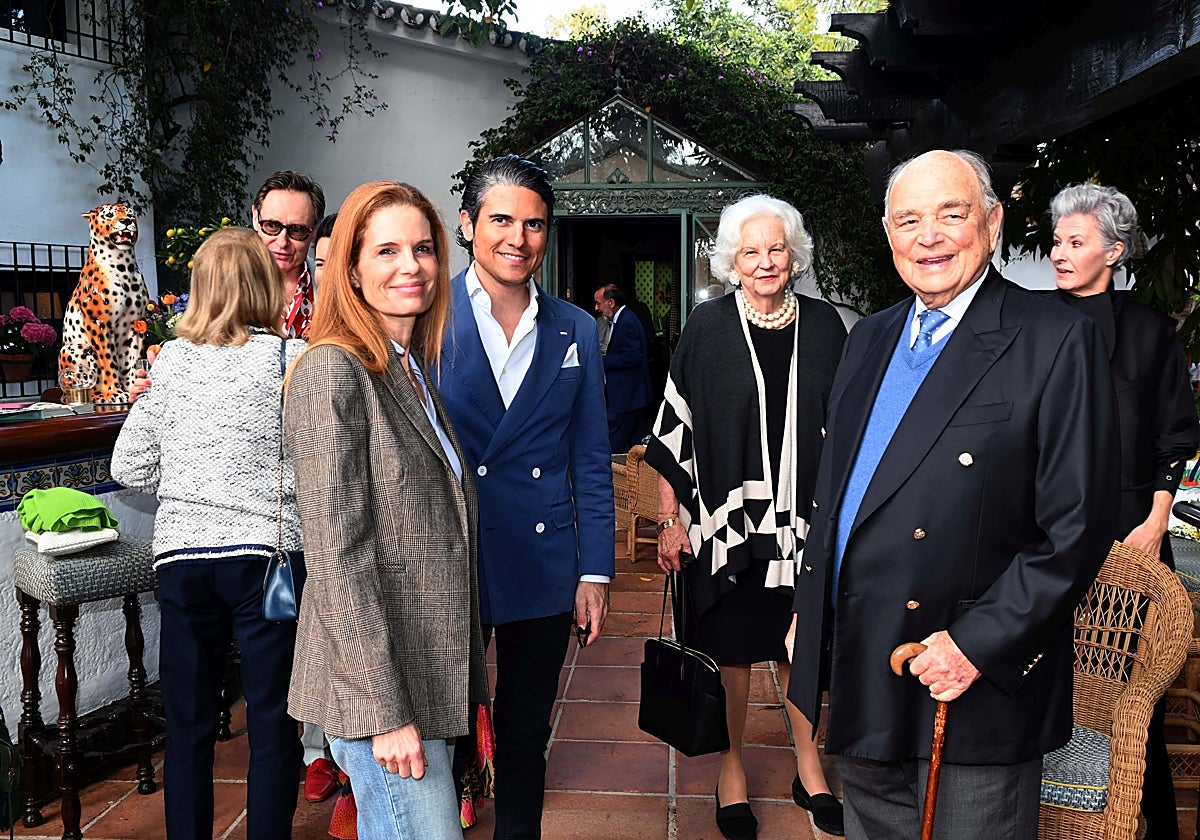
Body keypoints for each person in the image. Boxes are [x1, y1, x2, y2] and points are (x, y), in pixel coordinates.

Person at [786, 149, 1120, 840]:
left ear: (992, 224)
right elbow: (839, 491)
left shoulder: (1056, 338)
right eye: (909, 220)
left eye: (951, 214)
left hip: (967, 680)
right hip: (864, 665)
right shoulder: (868, 337)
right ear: (888, 234)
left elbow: (1077, 529)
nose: (929, 236)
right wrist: (811, 610)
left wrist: (975, 644)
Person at [284, 180, 489, 839]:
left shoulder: (407, 367)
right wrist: (384, 711)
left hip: (424, 674)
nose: (411, 266)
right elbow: (337, 556)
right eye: (387, 251)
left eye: (423, 249)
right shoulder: (333, 369)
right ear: (350, 269)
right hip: (381, 693)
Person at [645, 195, 847, 840]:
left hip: (804, 528)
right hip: (725, 527)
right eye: (751, 251)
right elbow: (674, 427)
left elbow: (850, 429)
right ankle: (731, 771)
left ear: (794, 256)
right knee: (730, 652)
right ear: (732, 260)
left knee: (801, 646)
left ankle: (810, 769)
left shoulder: (826, 326)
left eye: (776, 249)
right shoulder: (707, 327)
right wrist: (669, 520)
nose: (765, 262)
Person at [436, 155, 614, 840]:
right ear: (468, 224)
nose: (518, 237)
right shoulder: (427, 313)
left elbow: (590, 457)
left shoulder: (576, 328)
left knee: (524, 733)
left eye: (534, 224)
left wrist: (595, 570)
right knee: (440, 728)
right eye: (502, 219)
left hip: (543, 560)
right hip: (450, 554)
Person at [111, 227, 305, 840]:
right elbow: (316, 460)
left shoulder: (170, 363)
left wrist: (190, 480)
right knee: (272, 721)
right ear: (264, 285)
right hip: (265, 560)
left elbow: (128, 466)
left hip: (183, 559)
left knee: (188, 723)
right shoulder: (290, 359)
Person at [1049, 182, 1200, 839]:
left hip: (1132, 532)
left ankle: (1148, 827)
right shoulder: (1029, 321)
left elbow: (1175, 434)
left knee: (1132, 702)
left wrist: (1156, 521)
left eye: (1075, 242)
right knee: (1047, 688)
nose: (1059, 253)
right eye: (1056, 241)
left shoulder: (1149, 332)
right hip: (1042, 535)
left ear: (1113, 252)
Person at [252, 169, 326, 338]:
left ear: (315, 229)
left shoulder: (330, 287)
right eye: (272, 226)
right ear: (256, 218)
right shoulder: (227, 283)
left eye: (297, 230)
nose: (282, 242)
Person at [595, 283, 653, 453]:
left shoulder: (626, 321)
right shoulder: (623, 319)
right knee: (636, 450)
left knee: (610, 449)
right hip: (632, 397)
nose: (596, 308)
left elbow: (632, 357)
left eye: (598, 303)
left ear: (611, 303)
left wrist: (600, 361)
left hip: (626, 398)